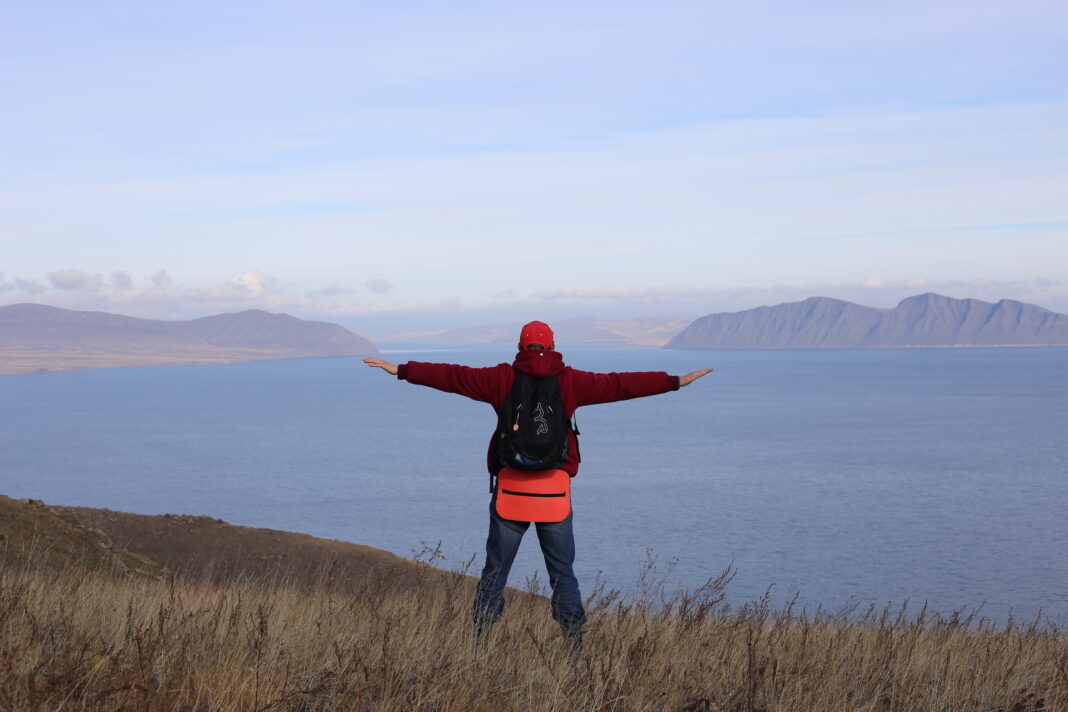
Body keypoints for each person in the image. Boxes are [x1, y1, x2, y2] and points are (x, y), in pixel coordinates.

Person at [363, 320, 712, 650]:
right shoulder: (571, 381)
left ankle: (480, 643)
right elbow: (621, 384)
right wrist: (674, 381)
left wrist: (402, 370)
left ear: (519, 346)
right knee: (563, 574)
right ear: (553, 345)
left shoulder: (499, 378)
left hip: (510, 495)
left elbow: (454, 376)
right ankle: (575, 648)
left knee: (495, 572)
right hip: (554, 495)